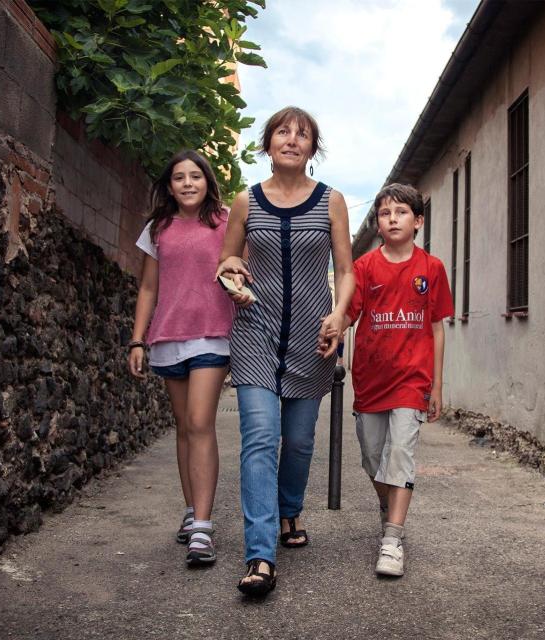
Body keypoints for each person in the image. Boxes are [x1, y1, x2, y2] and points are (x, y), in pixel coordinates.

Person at [216, 106, 355, 596]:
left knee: (297, 443)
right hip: (255, 332)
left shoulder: (331, 200)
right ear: (268, 144)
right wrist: (231, 267)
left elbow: (347, 269)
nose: (292, 139)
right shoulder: (246, 201)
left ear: (312, 149)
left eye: (303, 134)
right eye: (283, 131)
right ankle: (260, 556)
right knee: (258, 440)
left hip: (312, 337)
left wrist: (339, 315)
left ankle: (290, 509)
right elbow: (229, 256)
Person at [127, 149, 234, 567]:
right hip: (167, 337)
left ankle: (203, 529)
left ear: (208, 181)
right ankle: (192, 511)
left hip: (212, 335)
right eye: (179, 178)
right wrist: (138, 340)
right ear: (169, 185)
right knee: (183, 429)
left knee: (199, 422)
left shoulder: (226, 222)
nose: (188, 183)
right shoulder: (158, 228)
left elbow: (246, 266)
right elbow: (149, 288)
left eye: (195, 176)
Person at [343, 183, 453, 577]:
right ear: (378, 221)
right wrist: (332, 329)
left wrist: (436, 385)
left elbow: (437, 328)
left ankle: (392, 538)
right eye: (386, 212)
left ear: (418, 221)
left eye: (401, 212)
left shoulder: (432, 268)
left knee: (401, 454)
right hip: (371, 380)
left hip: (412, 380)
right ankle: (388, 505)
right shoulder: (364, 268)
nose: (392, 218)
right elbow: (347, 315)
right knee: (373, 457)